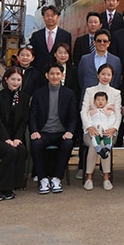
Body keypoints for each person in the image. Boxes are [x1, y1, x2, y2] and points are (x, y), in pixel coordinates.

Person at [0, 67, 30, 201]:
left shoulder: (24, 98)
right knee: (11, 152)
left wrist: (17, 138)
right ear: (6, 79)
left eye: (18, 79)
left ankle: (10, 186)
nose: (15, 82)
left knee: (22, 150)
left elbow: (23, 122)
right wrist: (6, 139)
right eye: (13, 79)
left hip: (14, 138)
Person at [29, 62, 78, 194]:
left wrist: (70, 131)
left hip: (62, 133)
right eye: (52, 74)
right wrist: (34, 131)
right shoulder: (39, 93)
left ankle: (57, 178)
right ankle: (43, 179)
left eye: (58, 74)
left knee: (68, 144)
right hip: (43, 133)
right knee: (35, 145)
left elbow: (73, 116)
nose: (55, 76)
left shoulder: (69, 93)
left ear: (62, 75)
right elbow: (32, 116)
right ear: (46, 75)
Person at [80, 64, 122, 190]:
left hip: (109, 131)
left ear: (112, 77)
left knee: (104, 145)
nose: (105, 77)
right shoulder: (89, 91)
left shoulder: (116, 93)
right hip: (91, 131)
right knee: (94, 144)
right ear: (98, 75)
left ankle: (106, 177)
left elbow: (118, 113)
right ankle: (89, 177)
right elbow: (84, 111)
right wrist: (89, 127)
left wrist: (114, 128)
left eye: (108, 74)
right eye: (103, 74)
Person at [76, 29, 122, 95]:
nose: (102, 43)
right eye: (99, 41)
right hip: (88, 98)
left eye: (105, 41)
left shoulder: (116, 61)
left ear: (109, 43)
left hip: (108, 99)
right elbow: (81, 80)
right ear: (94, 42)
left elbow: (116, 81)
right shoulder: (85, 59)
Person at [29, 5, 73, 70]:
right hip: (39, 73)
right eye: (47, 15)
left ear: (58, 17)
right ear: (43, 17)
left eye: (52, 15)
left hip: (58, 74)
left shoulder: (66, 35)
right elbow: (33, 55)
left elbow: (68, 56)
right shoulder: (36, 36)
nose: (50, 18)